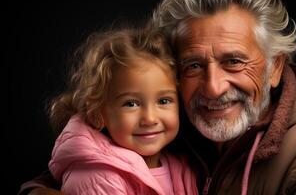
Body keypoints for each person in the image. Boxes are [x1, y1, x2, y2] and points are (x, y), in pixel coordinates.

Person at [19, 0, 296, 194]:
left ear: (275, 67)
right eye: (193, 65)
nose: (213, 87)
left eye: (233, 61)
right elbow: (63, 172)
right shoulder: (168, 120)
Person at [20, 27, 198, 195]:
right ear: (97, 113)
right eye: (131, 104)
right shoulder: (95, 176)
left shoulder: (183, 168)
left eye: (164, 101)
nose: (150, 118)